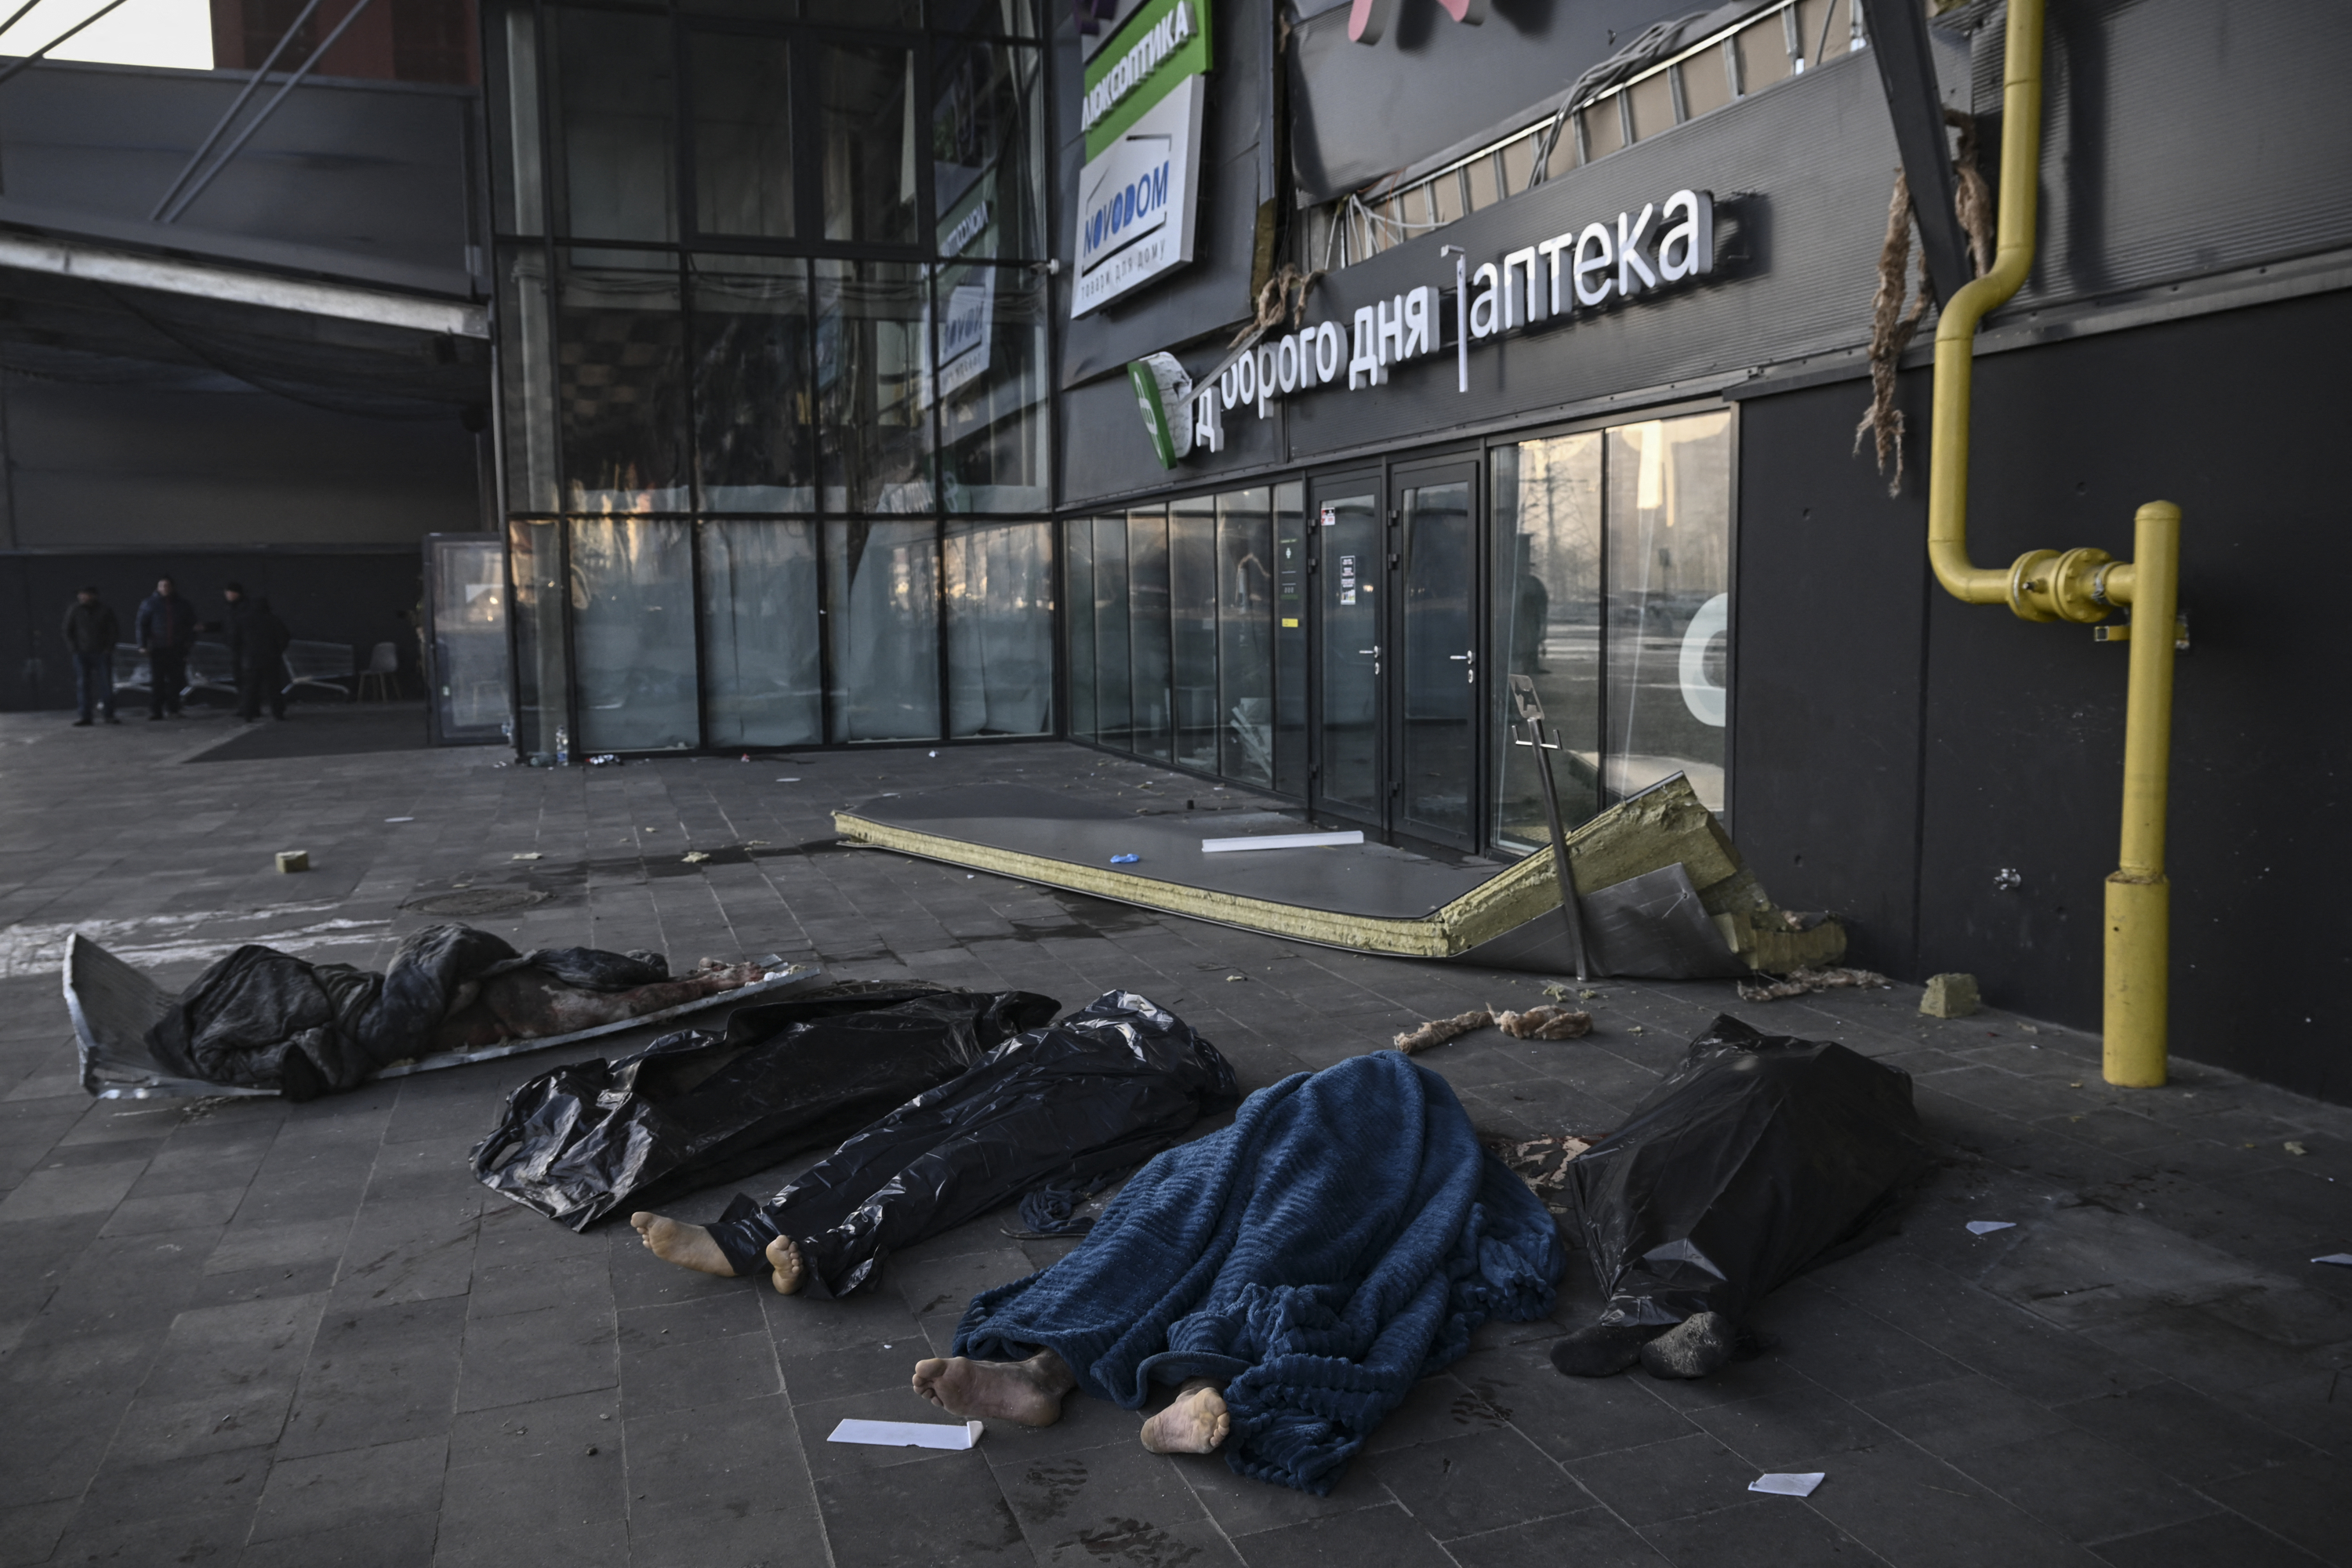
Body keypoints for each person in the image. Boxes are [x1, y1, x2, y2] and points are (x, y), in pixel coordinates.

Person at [225, 585, 292, 722]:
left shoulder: (243, 619)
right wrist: (278, 651)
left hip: (250, 658)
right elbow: (284, 637)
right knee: (273, 686)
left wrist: (241, 652)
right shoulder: (273, 619)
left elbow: (233, 639)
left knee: (250, 687)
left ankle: (248, 713)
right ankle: (278, 712)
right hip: (270, 657)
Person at [134, 577, 197, 720]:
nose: (164, 588)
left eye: (167, 586)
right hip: (158, 648)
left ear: (172, 587)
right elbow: (142, 625)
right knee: (158, 681)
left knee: (176, 680)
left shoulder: (182, 604)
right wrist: (142, 645)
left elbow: (191, 624)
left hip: (177, 648)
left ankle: (173, 709)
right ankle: (156, 711)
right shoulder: (150, 603)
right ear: (157, 587)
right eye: (161, 586)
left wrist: (189, 642)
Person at [60, 587, 119, 726]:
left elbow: (113, 630)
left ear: (93, 596)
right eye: (80, 595)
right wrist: (74, 649)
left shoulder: (105, 610)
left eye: (85, 595)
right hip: (81, 653)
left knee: (106, 685)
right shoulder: (75, 610)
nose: (82, 597)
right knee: (83, 685)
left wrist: (108, 648)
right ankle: (85, 716)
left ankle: (109, 715)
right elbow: (67, 630)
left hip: (101, 653)